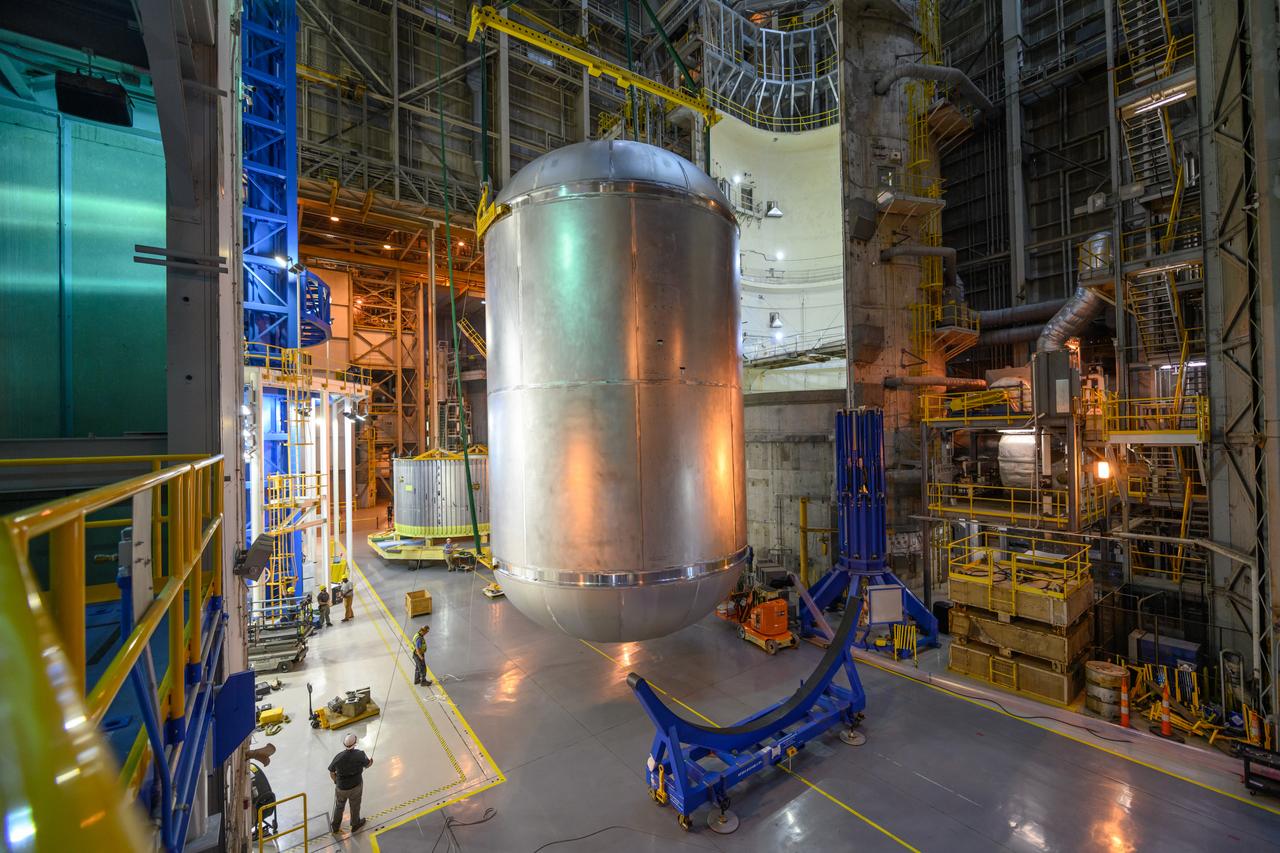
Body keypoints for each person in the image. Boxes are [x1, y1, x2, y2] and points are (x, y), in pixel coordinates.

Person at [329, 733, 373, 834]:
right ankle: (355, 824)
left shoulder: (338, 757)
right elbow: (367, 764)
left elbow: (331, 772)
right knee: (355, 805)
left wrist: (336, 781)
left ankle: (335, 826)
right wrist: (371, 762)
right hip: (356, 786)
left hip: (341, 788)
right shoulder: (360, 754)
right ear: (355, 744)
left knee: (339, 806)